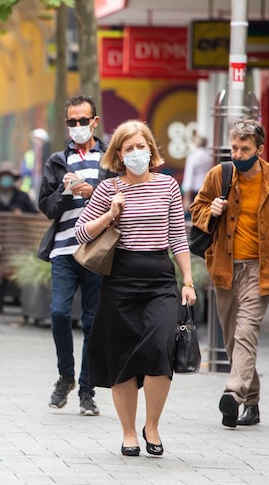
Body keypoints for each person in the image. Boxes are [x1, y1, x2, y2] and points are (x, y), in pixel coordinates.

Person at [75, 119, 197, 457]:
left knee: (160, 351)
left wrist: (187, 281)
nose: (136, 153)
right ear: (118, 155)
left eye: (141, 147)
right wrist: (110, 214)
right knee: (123, 357)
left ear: (151, 150)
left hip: (160, 278)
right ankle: (129, 432)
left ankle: (152, 426)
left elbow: (178, 237)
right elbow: (82, 234)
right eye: (129, 148)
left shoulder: (168, 186)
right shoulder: (108, 189)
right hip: (120, 281)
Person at [189, 118, 269, 428]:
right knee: (232, 338)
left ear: (260, 149)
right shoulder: (220, 175)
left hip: (261, 269)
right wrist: (209, 211)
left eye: (245, 149)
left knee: (246, 332)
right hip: (225, 267)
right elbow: (196, 209)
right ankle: (251, 400)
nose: (238, 154)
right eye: (235, 148)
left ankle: (233, 393)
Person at [37, 94, 113, 417]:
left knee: (93, 321)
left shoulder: (111, 158)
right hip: (65, 249)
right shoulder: (57, 161)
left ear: (95, 122)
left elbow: (120, 200)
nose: (78, 127)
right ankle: (65, 374)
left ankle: (87, 389)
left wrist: (92, 191)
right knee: (58, 312)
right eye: (72, 122)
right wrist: (66, 193)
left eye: (84, 121)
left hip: (96, 250)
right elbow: (46, 206)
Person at [0, 160, 38, 241]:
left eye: (8, 175)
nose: (6, 178)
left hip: (18, 237)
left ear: (13, 178)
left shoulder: (22, 196)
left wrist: (21, 215)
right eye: (3, 176)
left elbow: (34, 215)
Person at [181, 134, 212, 212]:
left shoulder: (193, 157)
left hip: (194, 189)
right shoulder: (210, 156)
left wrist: (186, 196)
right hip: (206, 187)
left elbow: (189, 175)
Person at [21, 128, 50, 197]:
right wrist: (33, 170)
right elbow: (23, 171)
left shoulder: (47, 156)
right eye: (34, 139)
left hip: (43, 188)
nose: (36, 142)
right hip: (29, 188)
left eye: (38, 139)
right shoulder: (29, 154)